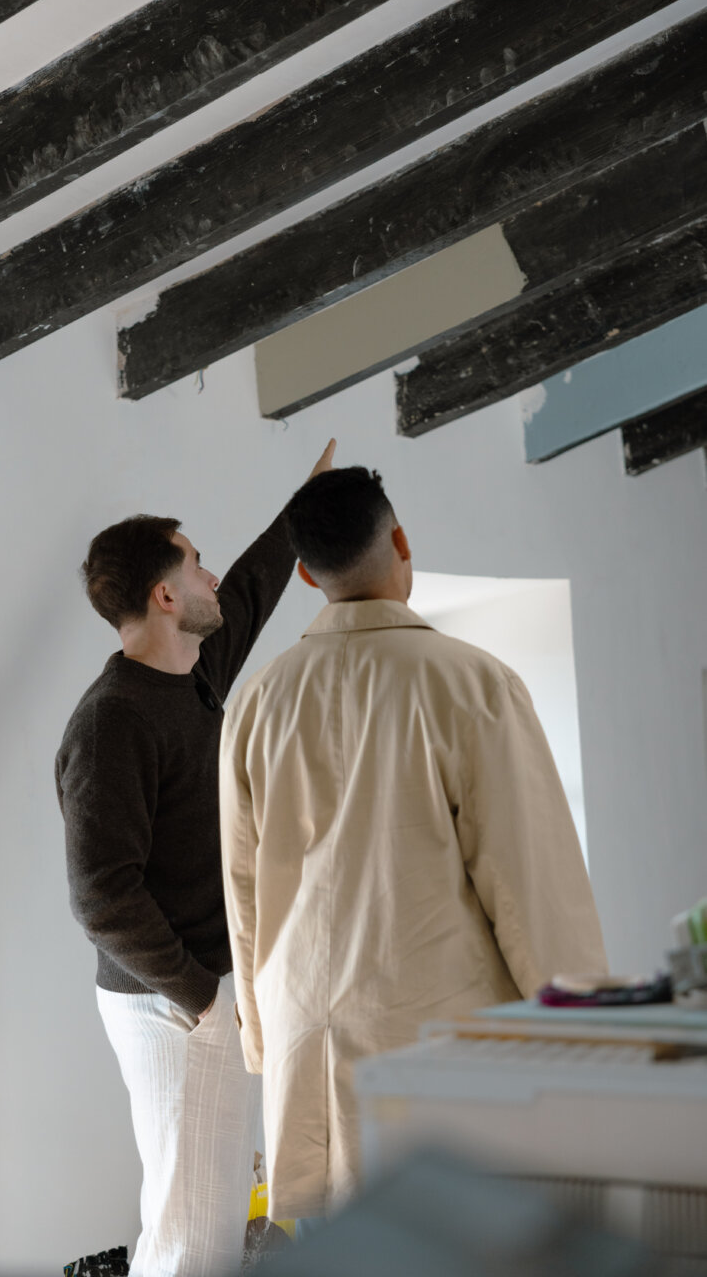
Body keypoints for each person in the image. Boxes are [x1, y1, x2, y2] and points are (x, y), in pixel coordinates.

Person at [219, 465, 608, 1228]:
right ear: (399, 541)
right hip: (440, 1035)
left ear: (303, 573)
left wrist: (264, 1037)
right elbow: (528, 876)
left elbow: (241, 888)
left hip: (310, 1036)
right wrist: (583, 1029)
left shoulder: (257, 701)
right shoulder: (471, 683)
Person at [55, 440, 335, 1277]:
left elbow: (248, 589)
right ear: (165, 593)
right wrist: (203, 999)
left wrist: (303, 509)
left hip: (203, 992)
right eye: (197, 563)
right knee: (192, 1239)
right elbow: (101, 895)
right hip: (171, 1005)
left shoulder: (193, 673)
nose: (213, 577)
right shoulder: (113, 720)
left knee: (201, 1220)